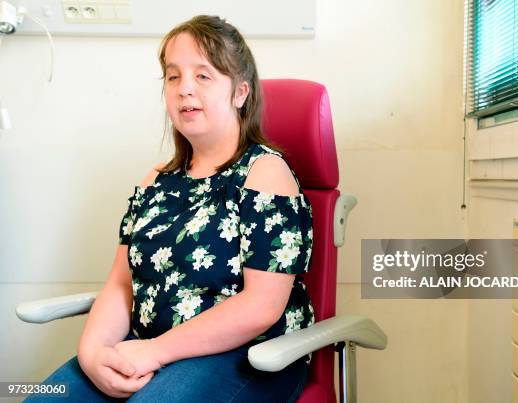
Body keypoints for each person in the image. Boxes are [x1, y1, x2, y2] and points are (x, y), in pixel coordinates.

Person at [25, 15, 314, 402]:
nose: (184, 90)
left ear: (240, 92)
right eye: (173, 77)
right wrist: (93, 354)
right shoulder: (155, 181)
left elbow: (260, 307)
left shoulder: (265, 174)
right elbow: (121, 284)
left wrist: (154, 352)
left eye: (204, 76)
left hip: (248, 358)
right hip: (145, 348)